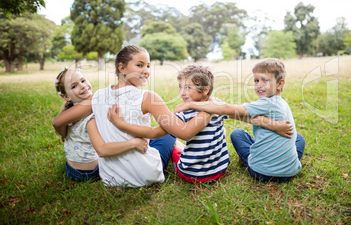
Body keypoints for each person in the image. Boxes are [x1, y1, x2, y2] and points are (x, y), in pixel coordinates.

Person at [108, 63, 295, 183]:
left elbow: (155, 133)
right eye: (180, 86)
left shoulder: (186, 114)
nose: (182, 92)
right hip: (221, 169)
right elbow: (242, 115)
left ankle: (176, 157)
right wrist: (274, 125)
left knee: (168, 141)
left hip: (192, 175)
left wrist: (122, 124)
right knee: (236, 134)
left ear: (205, 90)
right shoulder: (217, 105)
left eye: (188, 87)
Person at [87, 45, 214, 187]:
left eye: (148, 66)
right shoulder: (146, 97)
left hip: (110, 178)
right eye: (140, 65)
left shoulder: (97, 96)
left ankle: (175, 146)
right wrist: (209, 108)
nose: (146, 71)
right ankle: (178, 150)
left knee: (159, 130)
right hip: (143, 175)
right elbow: (184, 132)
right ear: (122, 68)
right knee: (168, 133)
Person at [174, 58, 306, 183]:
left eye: (265, 80)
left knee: (236, 134)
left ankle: (253, 161)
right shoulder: (281, 103)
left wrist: (190, 105)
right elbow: (238, 115)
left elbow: (227, 109)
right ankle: (287, 164)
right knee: (298, 138)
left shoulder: (265, 103)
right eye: (256, 80)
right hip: (290, 172)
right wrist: (274, 126)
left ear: (280, 83)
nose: (259, 85)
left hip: (260, 172)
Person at [52, 67, 99, 182]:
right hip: (93, 171)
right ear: (66, 96)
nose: (82, 86)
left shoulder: (68, 114)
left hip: (72, 171)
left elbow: (62, 132)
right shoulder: (93, 108)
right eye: (74, 86)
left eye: (83, 81)